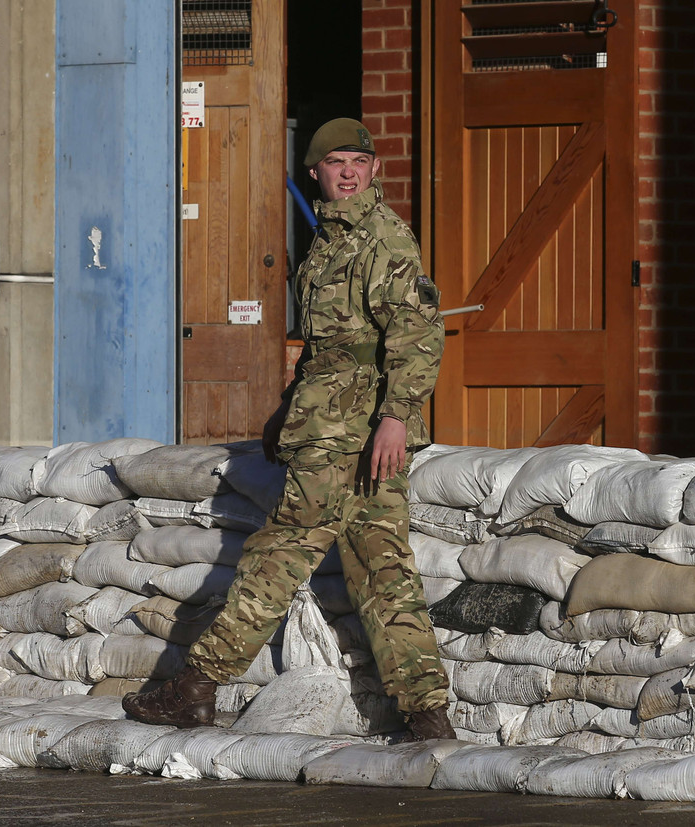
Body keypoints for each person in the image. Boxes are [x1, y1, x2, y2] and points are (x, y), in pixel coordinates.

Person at [123, 118, 456, 741]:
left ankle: (196, 687)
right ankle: (426, 715)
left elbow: (417, 337)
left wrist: (395, 419)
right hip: (325, 426)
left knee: (277, 556)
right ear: (316, 174)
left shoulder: (383, 241)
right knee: (383, 572)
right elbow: (325, 349)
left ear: (375, 170)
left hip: (349, 436)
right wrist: (285, 412)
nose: (350, 173)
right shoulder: (327, 246)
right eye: (336, 164)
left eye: (360, 161)